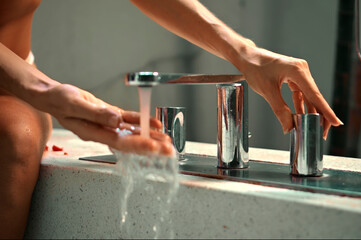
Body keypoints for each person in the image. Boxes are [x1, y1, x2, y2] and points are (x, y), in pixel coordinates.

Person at [0, 0, 342, 238]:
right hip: (18, 98)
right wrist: (43, 91)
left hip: (19, 85)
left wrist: (245, 52)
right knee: (15, 134)